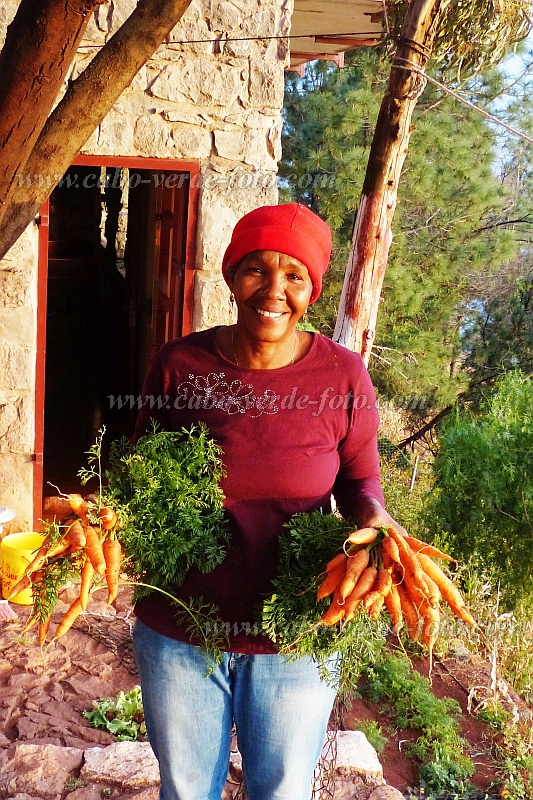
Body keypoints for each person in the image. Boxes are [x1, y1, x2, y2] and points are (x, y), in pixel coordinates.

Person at [131, 202, 405, 800]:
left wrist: (377, 525)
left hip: (296, 635)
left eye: (294, 275)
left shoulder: (344, 376)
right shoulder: (179, 366)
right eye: (257, 269)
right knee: (185, 791)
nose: (274, 290)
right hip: (181, 628)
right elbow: (135, 477)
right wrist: (108, 519)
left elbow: (360, 484)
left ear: (312, 289)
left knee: (281, 792)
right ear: (231, 276)